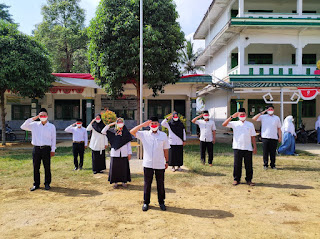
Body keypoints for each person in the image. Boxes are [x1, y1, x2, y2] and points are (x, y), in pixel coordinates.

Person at [130, 116, 170, 212]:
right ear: (149, 125)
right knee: (147, 184)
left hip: (160, 163)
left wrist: (167, 161)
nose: (154, 125)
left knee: (160, 184)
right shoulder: (144, 134)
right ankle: (146, 202)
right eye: (152, 123)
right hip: (148, 164)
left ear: (158, 124)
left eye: (155, 123)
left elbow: (166, 150)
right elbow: (132, 132)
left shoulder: (163, 135)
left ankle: (161, 202)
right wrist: (143, 125)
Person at [21, 108, 56, 191]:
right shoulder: (34, 125)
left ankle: (47, 183)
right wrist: (33, 118)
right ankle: (36, 184)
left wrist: (53, 150)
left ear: (47, 116)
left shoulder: (51, 126)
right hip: (36, 148)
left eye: (44, 115)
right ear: (39, 116)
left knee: (47, 167)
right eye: (41, 115)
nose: (43, 117)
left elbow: (53, 139)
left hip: (46, 148)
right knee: (36, 167)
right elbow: (23, 126)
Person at [222, 108, 257, 186]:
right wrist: (231, 117)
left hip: (248, 147)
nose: (242, 116)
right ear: (238, 115)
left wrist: (254, 147)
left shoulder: (250, 124)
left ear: (246, 115)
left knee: (248, 165)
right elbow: (224, 124)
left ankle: (249, 180)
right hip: (237, 147)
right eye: (240, 115)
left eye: (243, 114)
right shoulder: (234, 123)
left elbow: (253, 137)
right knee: (237, 164)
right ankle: (236, 179)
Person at [102, 118, 132, 188]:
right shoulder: (113, 131)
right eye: (118, 122)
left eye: (121, 122)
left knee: (124, 168)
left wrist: (129, 153)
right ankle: (115, 182)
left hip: (124, 153)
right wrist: (111, 124)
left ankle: (124, 181)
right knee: (115, 168)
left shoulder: (126, 132)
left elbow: (128, 143)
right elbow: (103, 131)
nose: (120, 123)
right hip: (115, 153)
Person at [252, 105, 281, 170]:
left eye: (271, 109)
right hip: (265, 137)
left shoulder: (276, 118)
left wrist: (280, 137)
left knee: (273, 152)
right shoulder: (263, 117)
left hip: (274, 137)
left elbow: (279, 128)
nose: (270, 110)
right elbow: (254, 118)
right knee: (265, 152)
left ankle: (273, 165)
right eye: (269, 109)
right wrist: (262, 112)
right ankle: (265, 164)